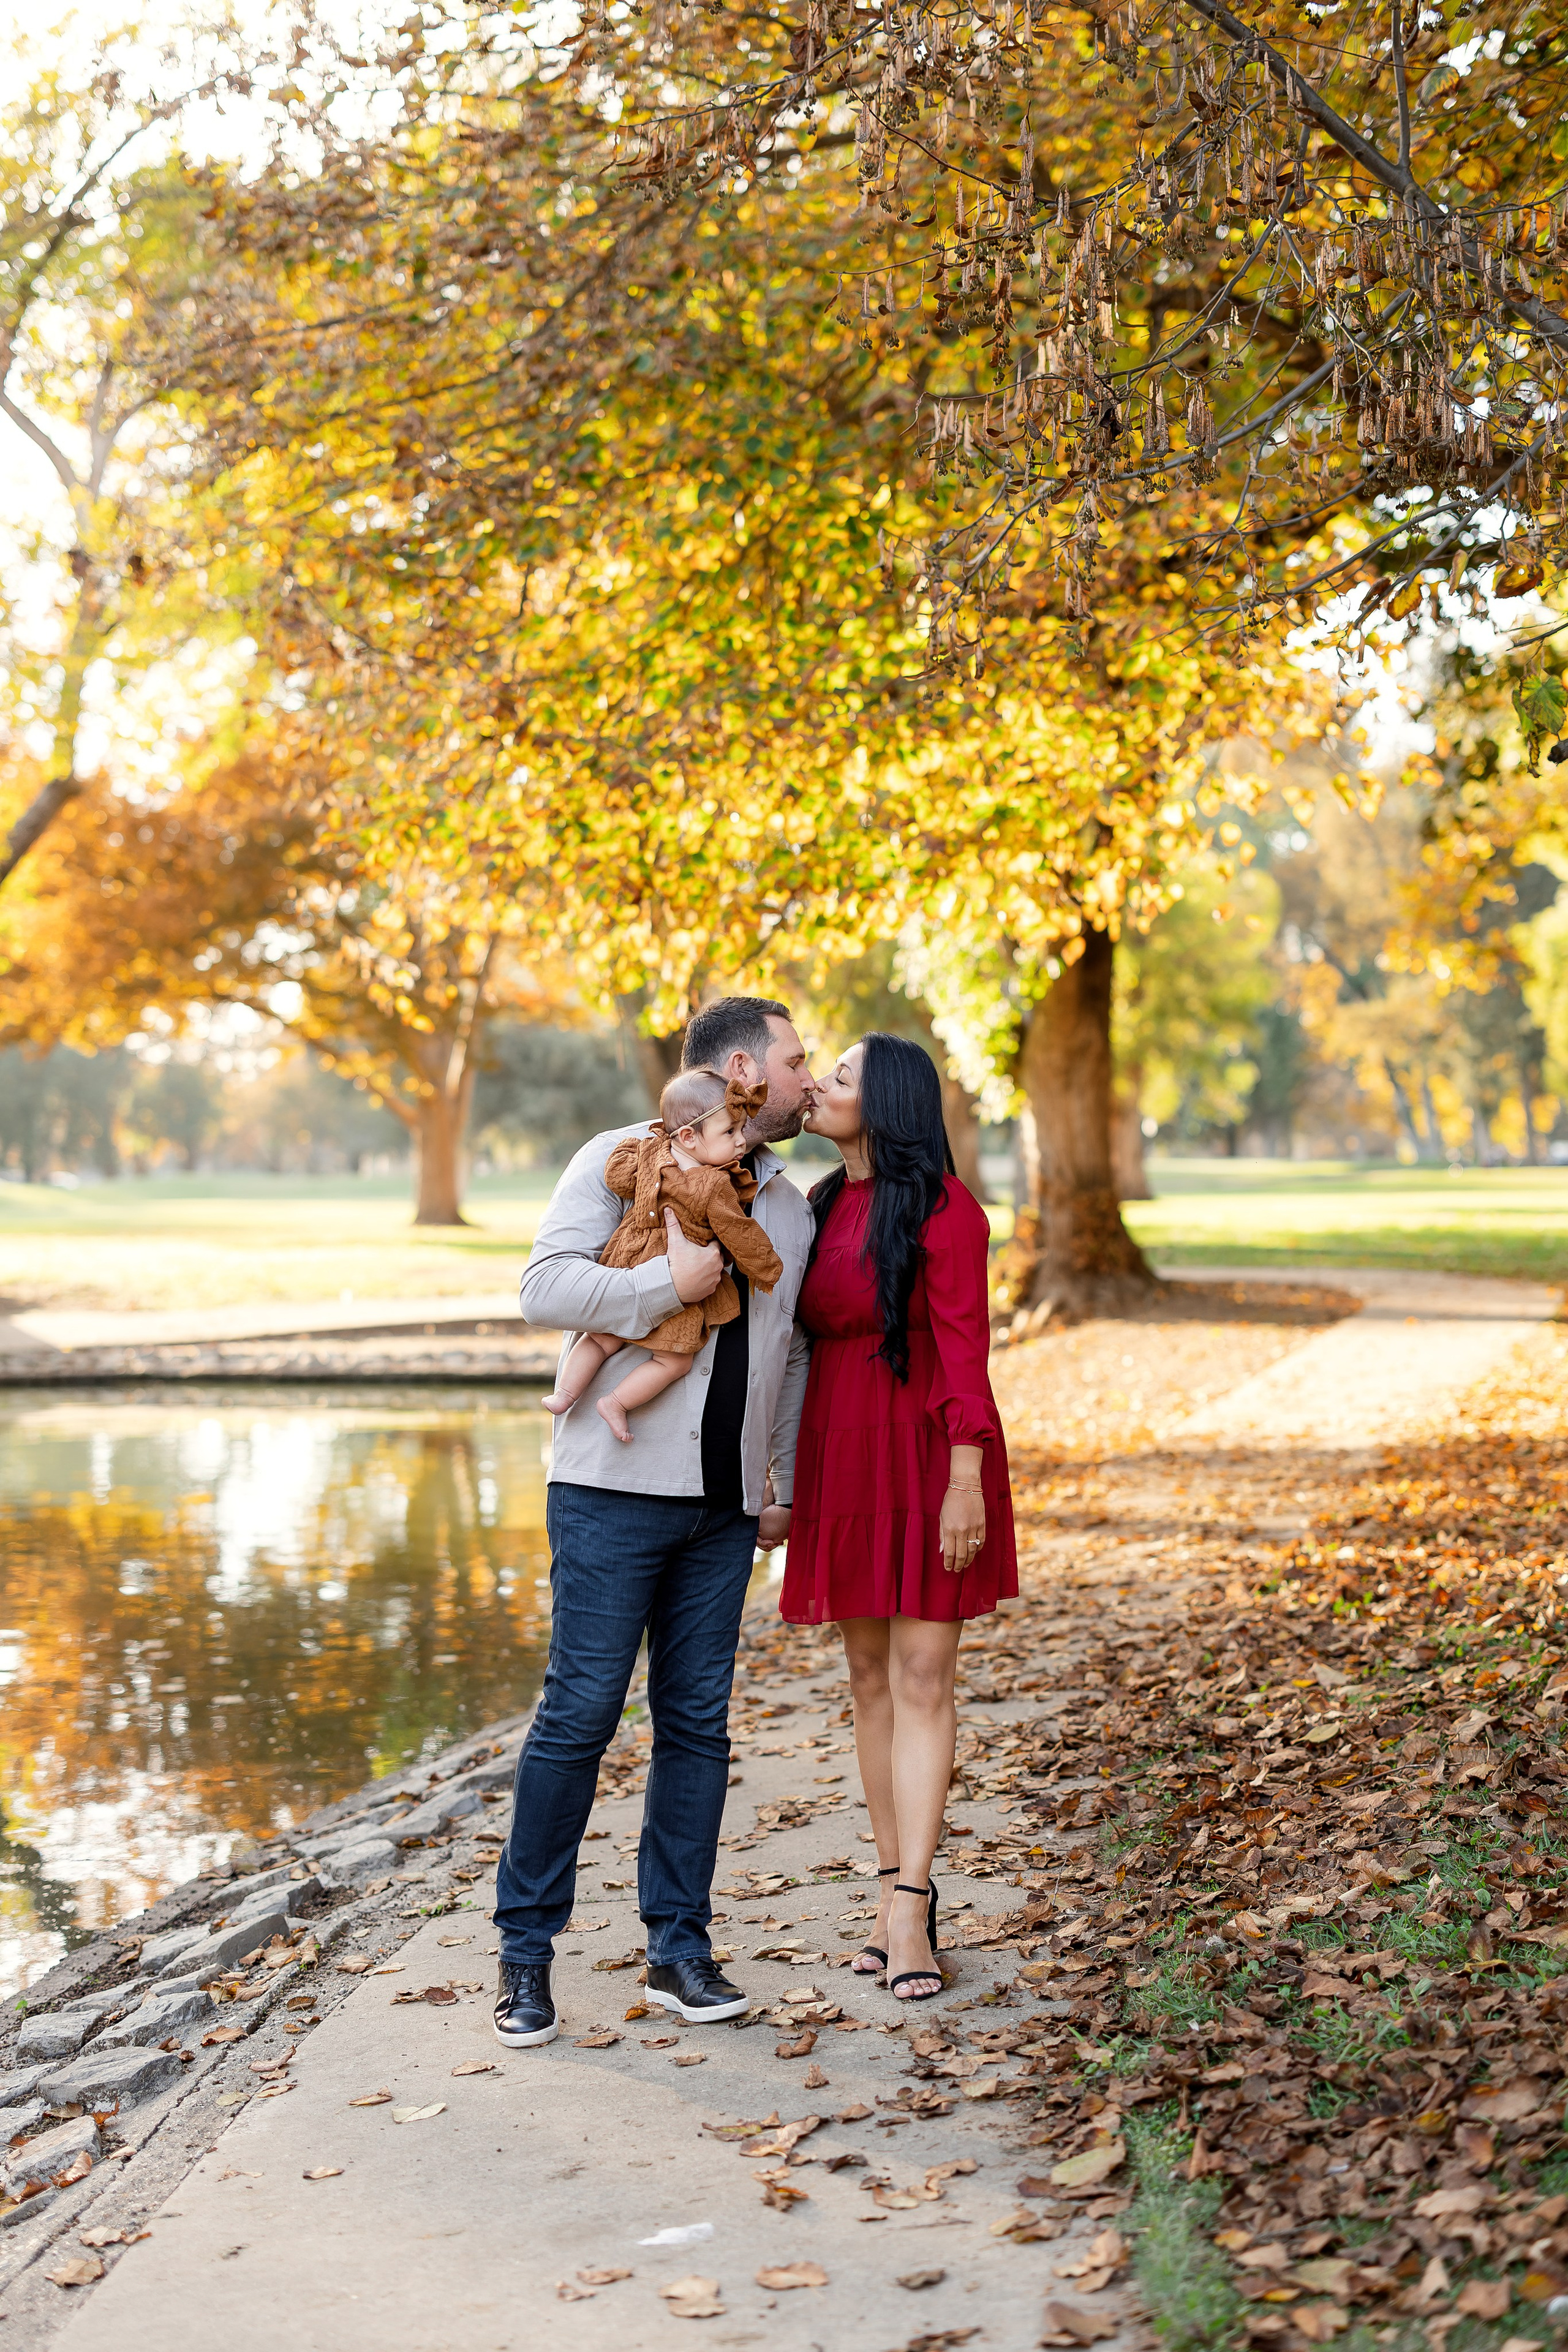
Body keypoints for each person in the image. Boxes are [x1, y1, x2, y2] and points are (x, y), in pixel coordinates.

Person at [494, 997, 816, 2046]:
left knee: (696, 1728)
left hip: (723, 1511)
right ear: (741, 1071)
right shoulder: (621, 1158)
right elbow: (543, 1288)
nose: (808, 1079)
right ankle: (524, 1957)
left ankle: (680, 1946)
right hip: (607, 1495)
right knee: (579, 1717)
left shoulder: (791, 1206)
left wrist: (781, 1480)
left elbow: (789, 1353)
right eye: (795, 1060)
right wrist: (660, 1287)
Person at [779, 1033, 1017, 2002]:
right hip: (842, 1454)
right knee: (868, 1678)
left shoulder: (948, 1211)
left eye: (839, 1077)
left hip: (929, 1455)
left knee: (924, 1675)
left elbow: (967, 1353)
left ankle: (914, 1906)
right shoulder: (818, 1205)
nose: (821, 1088)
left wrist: (967, 1478)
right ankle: (888, 1893)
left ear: (887, 1104)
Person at [542, 1069, 785, 1441]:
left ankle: (564, 1395)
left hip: (628, 1256)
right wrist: (766, 1267)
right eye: (730, 1132)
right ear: (688, 1136)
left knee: (598, 1338)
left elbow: (617, 1177)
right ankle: (618, 1403)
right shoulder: (714, 1183)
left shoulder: (649, 1152)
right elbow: (739, 1231)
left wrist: (634, 1152)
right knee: (674, 1360)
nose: (741, 1141)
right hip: (676, 1279)